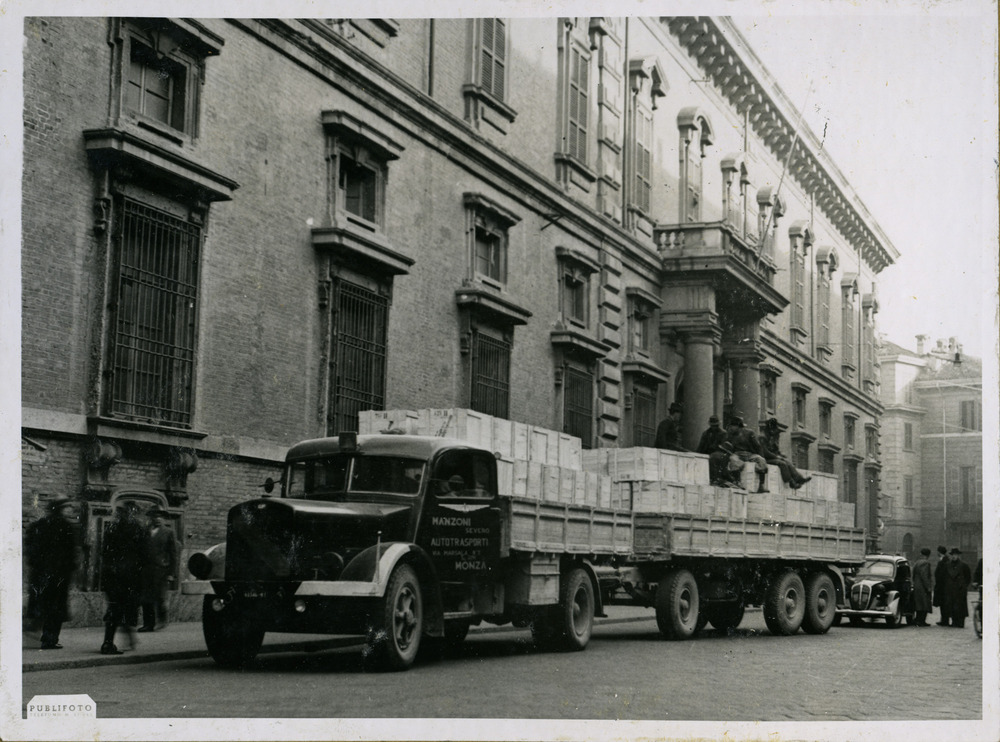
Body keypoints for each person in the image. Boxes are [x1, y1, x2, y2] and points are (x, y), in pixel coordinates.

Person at [25, 496, 82, 649]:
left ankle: (38, 631)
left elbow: (30, 549)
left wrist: (36, 566)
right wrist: (72, 571)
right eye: (67, 507)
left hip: (41, 574)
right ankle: (49, 639)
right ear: (61, 509)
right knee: (56, 608)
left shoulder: (39, 525)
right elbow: (71, 553)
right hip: (59, 576)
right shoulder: (67, 526)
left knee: (43, 605)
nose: (70, 510)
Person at [100, 501, 148, 654]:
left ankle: (111, 642)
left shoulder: (112, 528)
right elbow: (144, 555)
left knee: (115, 609)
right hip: (130, 577)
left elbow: (104, 552)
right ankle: (117, 642)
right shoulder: (137, 529)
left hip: (113, 576)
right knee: (126, 608)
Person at [139, 508, 177, 632]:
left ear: (164, 519)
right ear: (151, 518)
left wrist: (171, 573)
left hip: (161, 570)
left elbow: (173, 554)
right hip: (146, 570)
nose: (158, 519)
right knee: (146, 598)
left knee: (160, 597)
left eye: (160, 517)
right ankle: (148, 624)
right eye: (155, 517)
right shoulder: (145, 531)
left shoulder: (168, 532)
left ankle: (162, 620)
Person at [759, 418, 812, 489]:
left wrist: (780, 454)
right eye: (773, 429)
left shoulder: (770, 438)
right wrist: (777, 457)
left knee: (787, 462)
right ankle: (791, 482)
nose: (774, 431)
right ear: (769, 429)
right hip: (764, 459)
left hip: (771, 458)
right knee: (782, 463)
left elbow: (775, 450)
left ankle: (799, 479)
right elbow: (765, 452)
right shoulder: (762, 437)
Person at [725, 414, 769, 493]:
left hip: (750, 454)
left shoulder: (749, 433)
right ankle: (737, 482)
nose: (731, 428)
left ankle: (761, 485)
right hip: (737, 454)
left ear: (738, 425)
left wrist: (761, 456)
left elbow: (757, 446)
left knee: (761, 460)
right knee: (733, 459)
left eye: (732, 425)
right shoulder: (730, 435)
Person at [696, 415, 730, 485]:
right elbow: (701, 446)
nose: (714, 427)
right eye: (713, 426)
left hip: (719, 454)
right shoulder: (706, 433)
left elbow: (723, 447)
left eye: (716, 426)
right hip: (707, 453)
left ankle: (715, 478)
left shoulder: (723, 433)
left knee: (714, 457)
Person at [944, 548, 972, 628]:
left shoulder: (963, 565)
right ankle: (954, 621)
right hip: (950, 589)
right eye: (952, 555)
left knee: (960, 606)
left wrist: (964, 585)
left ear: (958, 555)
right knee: (952, 605)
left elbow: (968, 577)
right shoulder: (947, 565)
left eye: (955, 555)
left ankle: (960, 622)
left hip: (960, 589)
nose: (954, 556)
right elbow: (944, 576)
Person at [912, 547, 933, 626]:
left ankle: (918, 619)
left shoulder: (917, 562)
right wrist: (928, 587)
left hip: (917, 585)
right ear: (928, 555)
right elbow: (924, 576)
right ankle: (921, 621)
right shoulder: (925, 563)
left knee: (918, 603)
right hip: (922, 587)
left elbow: (913, 574)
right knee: (924, 603)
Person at [933, 545, 951, 626]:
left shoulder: (945, 561)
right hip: (941, 585)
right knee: (942, 603)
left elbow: (942, 573)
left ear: (939, 552)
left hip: (943, 586)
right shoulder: (943, 560)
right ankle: (943, 619)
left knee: (944, 603)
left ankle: (945, 620)